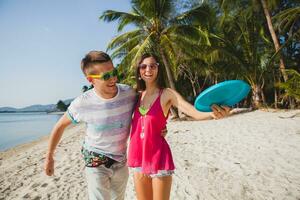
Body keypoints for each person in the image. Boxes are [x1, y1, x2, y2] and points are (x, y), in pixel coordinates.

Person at [127, 53, 230, 200]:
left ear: (158, 68)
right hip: (139, 158)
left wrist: (212, 114)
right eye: (143, 66)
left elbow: (192, 112)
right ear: (139, 70)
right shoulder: (136, 96)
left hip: (159, 157)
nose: (148, 69)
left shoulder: (167, 94)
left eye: (152, 66)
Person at [44, 51, 137, 200]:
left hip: (121, 160)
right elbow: (59, 126)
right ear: (90, 80)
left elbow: (147, 110)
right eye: (106, 76)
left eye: (114, 72)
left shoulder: (129, 94)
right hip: (96, 160)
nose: (113, 78)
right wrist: (49, 156)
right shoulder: (82, 103)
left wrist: (160, 128)